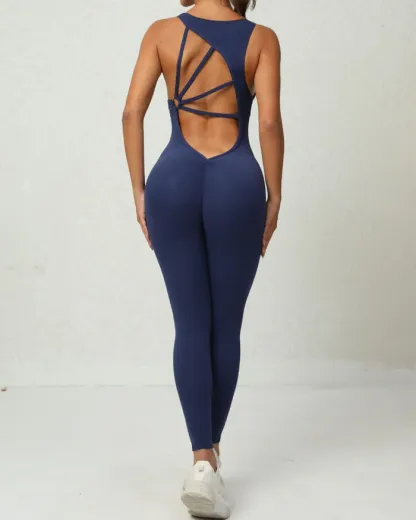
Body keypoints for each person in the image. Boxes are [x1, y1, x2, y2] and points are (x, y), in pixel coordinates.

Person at [122, 0, 283, 516]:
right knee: (225, 327)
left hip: (174, 179)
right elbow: (269, 123)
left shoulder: (161, 32)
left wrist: (139, 191)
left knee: (190, 324)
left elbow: (131, 112)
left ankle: (201, 461)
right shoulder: (262, 39)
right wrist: (275, 196)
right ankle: (209, 463)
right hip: (237, 180)